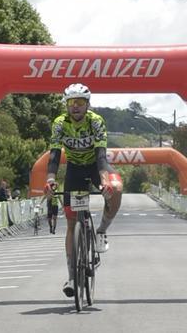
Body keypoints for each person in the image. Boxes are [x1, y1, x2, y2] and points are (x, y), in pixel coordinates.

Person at [44, 83, 123, 298]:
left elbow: (100, 154)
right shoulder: (59, 123)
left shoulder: (96, 121)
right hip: (74, 170)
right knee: (71, 224)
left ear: (87, 104)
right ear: (66, 105)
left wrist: (105, 181)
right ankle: (72, 275)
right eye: (71, 103)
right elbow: (53, 155)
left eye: (80, 102)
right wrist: (50, 180)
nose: (75, 107)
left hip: (96, 167)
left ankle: (101, 231)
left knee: (116, 189)